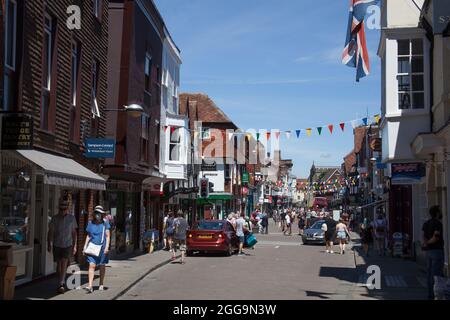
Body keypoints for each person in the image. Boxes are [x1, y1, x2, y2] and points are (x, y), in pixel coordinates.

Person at [47, 200, 78, 294]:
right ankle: (60, 280)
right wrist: (49, 243)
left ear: (67, 209)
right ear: (59, 209)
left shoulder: (71, 219)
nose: (62, 210)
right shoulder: (55, 218)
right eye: (61, 209)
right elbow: (51, 232)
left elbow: (74, 233)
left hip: (67, 244)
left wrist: (75, 245)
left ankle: (61, 283)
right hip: (57, 244)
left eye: (64, 209)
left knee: (64, 263)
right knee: (58, 265)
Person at [83, 206, 111, 294]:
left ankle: (101, 283)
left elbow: (108, 236)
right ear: (94, 214)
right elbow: (89, 236)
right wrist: (85, 246)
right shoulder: (90, 223)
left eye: (99, 213)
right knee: (91, 265)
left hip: (102, 248)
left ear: (102, 214)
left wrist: (107, 247)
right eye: (96, 213)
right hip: (92, 248)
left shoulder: (105, 223)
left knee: (102, 265)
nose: (98, 215)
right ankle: (90, 285)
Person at [422, 206, 444, 300]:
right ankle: (436, 295)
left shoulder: (426, 223)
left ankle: (430, 294)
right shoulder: (438, 224)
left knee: (429, 274)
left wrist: (426, 243)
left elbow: (423, 235)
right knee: (436, 275)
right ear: (437, 213)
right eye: (440, 211)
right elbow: (436, 237)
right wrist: (429, 242)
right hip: (437, 251)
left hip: (428, 252)